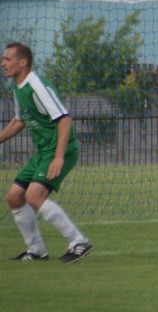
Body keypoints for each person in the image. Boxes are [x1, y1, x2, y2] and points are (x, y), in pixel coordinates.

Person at [1, 42, 93, 263]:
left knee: (34, 195)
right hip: (43, 150)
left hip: (60, 148)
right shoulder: (18, 86)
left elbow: (64, 119)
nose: (3, 63)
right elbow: (20, 120)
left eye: (7, 59)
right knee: (14, 197)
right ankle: (37, 250)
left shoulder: (36, 84)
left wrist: (59, 156)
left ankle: (78, 241)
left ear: (22, 62)